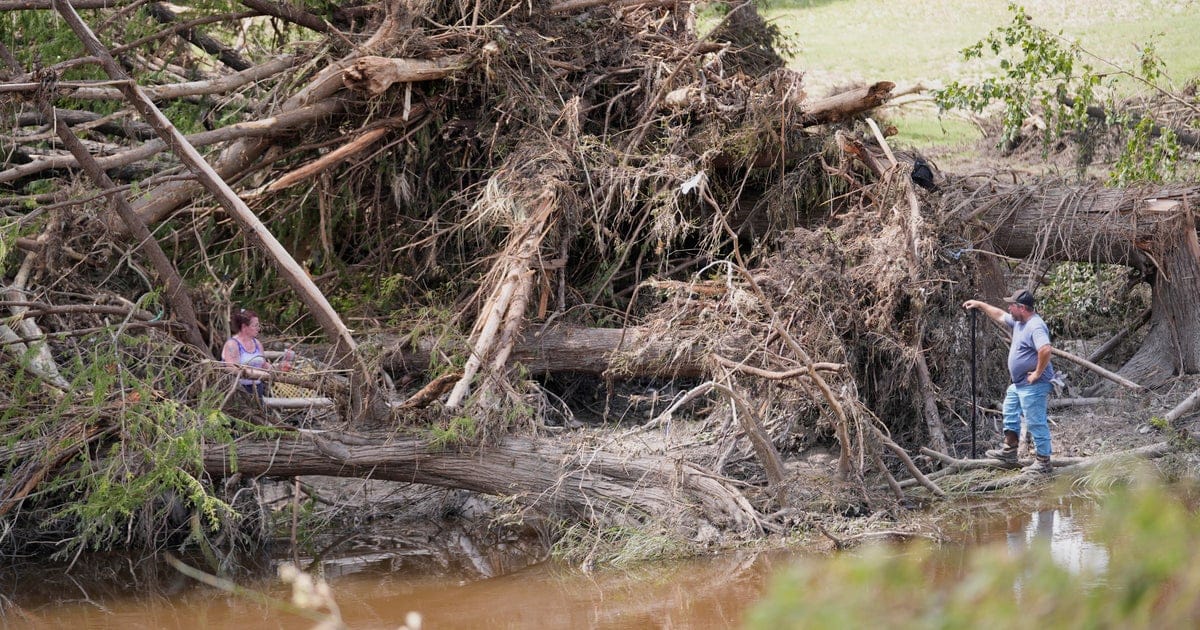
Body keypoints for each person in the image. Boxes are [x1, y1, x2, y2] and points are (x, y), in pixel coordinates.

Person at [963, 289, 1056, 475]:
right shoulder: (1019, 321)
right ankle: (1009, 451)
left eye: (1012, 305)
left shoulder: (1035, 325)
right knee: (1010, 410)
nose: (1009, 308)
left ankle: (1044, 462)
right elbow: (999, 315)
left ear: (1021, 308)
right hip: (1019, 384)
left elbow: (1045, 349)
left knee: (1035, 421)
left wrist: (1037, 373)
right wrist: (980, 304)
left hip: (1034, 384)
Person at [222, 308, 292, 398]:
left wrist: (278, 367)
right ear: (244, 327)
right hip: (239, 391)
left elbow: (263, 365)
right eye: (255, 325)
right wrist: (257, 373)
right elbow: (231, 369)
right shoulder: (232, 344)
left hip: (258, 388)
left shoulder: (257, 343)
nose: (258, 329)